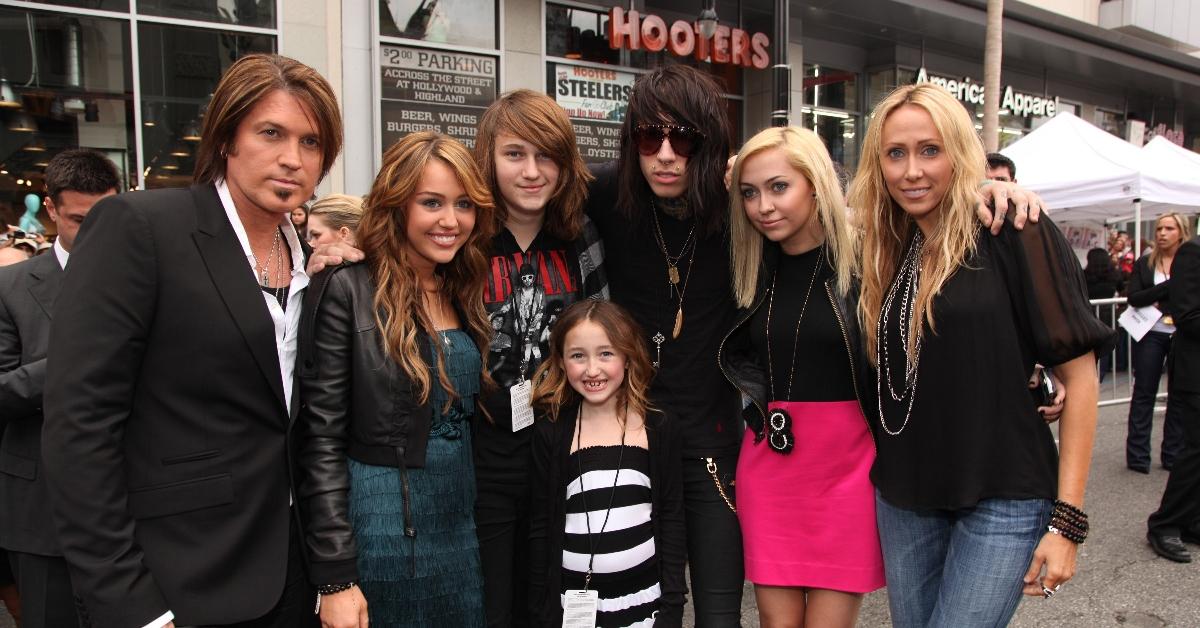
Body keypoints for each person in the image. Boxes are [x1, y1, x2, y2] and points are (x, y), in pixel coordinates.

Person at [41, 53, 342, 628]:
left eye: (311, 142)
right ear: (227, 136)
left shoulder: (311, 257)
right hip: (177, 577)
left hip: (292, 569)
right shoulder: (141, 226)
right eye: (271, 133)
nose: (291, 159)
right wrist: (130, 601)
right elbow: (80, 427)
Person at [851, 83, 1111, 627]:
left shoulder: (1013, 228)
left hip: (1003, 497)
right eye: (895, 154)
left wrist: (1067, 524)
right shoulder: (888, 247)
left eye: (930, 149)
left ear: (959, 152)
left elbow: (1081, 379)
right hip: (905, 500)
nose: (912, 171)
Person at [296, 131, 495, 628]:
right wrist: (336, 576)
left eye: (465, 204)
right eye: (432, 202)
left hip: (458, 525)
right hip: (382, 524)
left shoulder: (461, 284)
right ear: (396, 204)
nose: (451, 221)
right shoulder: (347, 286)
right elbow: (318, 439)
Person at [720, 126, 883, 627]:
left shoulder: (870, 259)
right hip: (771, 465)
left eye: (779, 187)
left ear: (815, 184)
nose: (763, 206)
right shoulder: (750, 267)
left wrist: (995, 187)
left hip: (849, 468)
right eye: (750, 192)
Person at [471, 88, 607, 628]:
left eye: (545, 155)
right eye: (515, 154)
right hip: (483, 454)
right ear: (489, 159)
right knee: (493, 601)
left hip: (562, 444)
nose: (532, 171)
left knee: (553, 598)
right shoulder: (466, 235)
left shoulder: (579, 236)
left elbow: (605, 330)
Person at [0, 149, 119, 628]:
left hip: (133, 510)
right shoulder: (10, 288)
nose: (92, 234)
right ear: (50, 210)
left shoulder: (148, 278)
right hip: (43, 514)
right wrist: (73, 363)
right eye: (77, 220)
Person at [528, 300, 685, 627]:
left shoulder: (656, 427)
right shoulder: (552, 433)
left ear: (628, 357)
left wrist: (672, 606)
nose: (592, 370)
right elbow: (542, 526)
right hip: (572, 610)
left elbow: (670, 517)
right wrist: (543, 609)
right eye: (578, 356)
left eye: (606, 353)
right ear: (560, 361)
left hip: (644, 607)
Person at [1146, 230, 1200, 563]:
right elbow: (1188, 316)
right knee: (1195, 452)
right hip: (1195, 373)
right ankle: (1164, 524)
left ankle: (1191, 521)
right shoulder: (1193, 252)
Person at [1125, 212, 1192, 473]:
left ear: (1181, 232)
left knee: (1177, 395)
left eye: (1169, 228)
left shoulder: (1189, 262)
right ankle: (1138, 456)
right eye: (1159, 228)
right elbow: (1135, 297)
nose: (1162, 233)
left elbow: (1189, 299)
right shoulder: (1146, 263)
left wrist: (1159, 296)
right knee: (1144, 392)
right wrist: (1168, 290)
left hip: (1181, 334)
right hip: (1150, 333)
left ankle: (1172, 454)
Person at [1084, 247, 1122, 382]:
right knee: (1105, 349)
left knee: (1091, 350)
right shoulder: (1114, 275)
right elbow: (1123, 288)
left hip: (1090, 315)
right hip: (1108, 315)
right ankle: (1098, 378)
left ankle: (1091, 379)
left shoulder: (1084, 276)